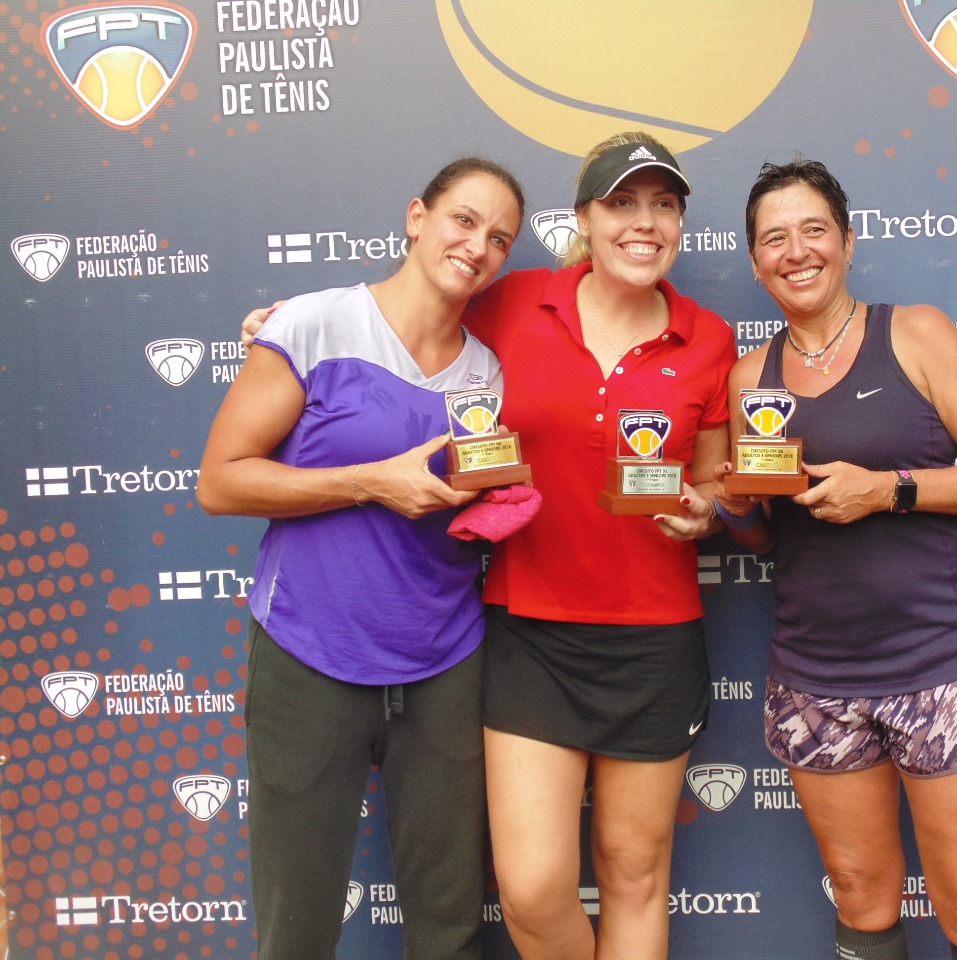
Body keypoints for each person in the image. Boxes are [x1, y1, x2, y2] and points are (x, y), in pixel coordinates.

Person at [241, 132, 737, 960]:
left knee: (635, 873)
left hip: (655, 638)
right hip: (527, 634)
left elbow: (719, 480)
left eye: (663, 205)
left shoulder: (709, 337)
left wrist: (707, 511)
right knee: (533, 890)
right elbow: (402, 311)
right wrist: (287, 326)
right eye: (621, 203)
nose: (644, 222)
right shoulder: (513, 302)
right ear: (583, 220)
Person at [198, 158, 525, 960]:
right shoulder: (314, 323)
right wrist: (369, 482)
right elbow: (221, 482)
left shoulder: (489, 369)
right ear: (417, 217)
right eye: (463, 220)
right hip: (310, 652)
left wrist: (503, 506)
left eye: (499, 238)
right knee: (297, 925)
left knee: (449, 924)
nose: (476, 246)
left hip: (444, 662)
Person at [714, 159, 957, 960]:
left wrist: (886, 490)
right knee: (861, 896)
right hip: (816, 675)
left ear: (849, 241)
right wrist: (735, 510)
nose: (797, 251)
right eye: (774, 239)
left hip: (944, 659)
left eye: (814, 230)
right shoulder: (748, 378)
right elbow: (764, 537)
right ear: (755, 264)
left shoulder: (916, 333)